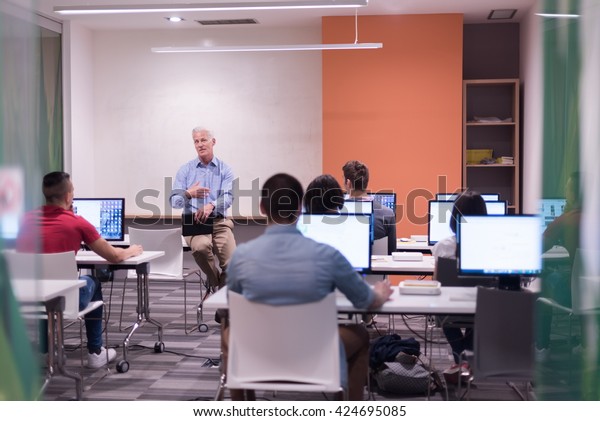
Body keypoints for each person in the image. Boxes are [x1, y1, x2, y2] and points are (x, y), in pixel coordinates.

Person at [221, 173, 393, 400]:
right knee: (360, 334)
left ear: (262, 207)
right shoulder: (328, 255)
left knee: (230, 332)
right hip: (316, 353)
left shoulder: (240, 256)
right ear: (301, 207)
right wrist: (379, 293)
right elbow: (366, 302)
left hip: (258, 353)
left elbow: (231, 306)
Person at [16, 171, 143, 368]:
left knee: (45, 290)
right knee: (93, 282)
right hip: (67, 300)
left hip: (29, 298)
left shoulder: (25, 220)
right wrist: (132, 250)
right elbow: (114, 256)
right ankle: (95, 352)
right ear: (68, 196)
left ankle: (45, 351)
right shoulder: (76, 222)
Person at [431, 190, 487, 383]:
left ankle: (459, 353)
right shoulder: (491, 246)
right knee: (480, 307)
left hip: (449, 312)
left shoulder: (442, 246)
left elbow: (436, 283)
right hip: (482, 312)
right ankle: (467, 355)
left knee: (440, 305)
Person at [169, 127, 236, 289]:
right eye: (196, 141)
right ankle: (216, 283)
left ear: (213, 142)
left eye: (203, 140)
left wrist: (211, 205)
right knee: (201, 247)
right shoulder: (185, 170)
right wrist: (188, 193)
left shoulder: (225, 170)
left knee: (233, 264)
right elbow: (174, 201)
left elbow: (228, 197)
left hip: (219, 222)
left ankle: (223, 289)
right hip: (195, 224)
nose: (200, 144)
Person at [536, 171, 582, 356]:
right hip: (594, 291)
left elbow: (537, 249)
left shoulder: (566, 220)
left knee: (542, 282)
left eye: (567, 188)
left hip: (576, 293)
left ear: (573, 193)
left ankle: (542, 347)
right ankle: (587, 345)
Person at [342, 160, 396, 255]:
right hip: (378, 269)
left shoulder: (337, 212)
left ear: (348, 183)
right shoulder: (388, 213)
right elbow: (392, 252)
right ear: (366, 182)